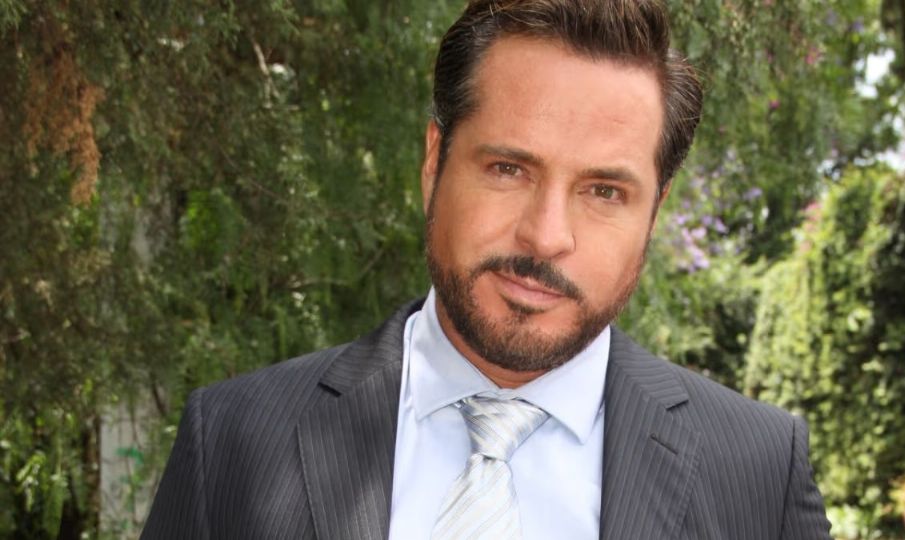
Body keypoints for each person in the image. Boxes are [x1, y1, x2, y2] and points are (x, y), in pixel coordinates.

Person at [142, 0, 832, 538]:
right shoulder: (232, 440)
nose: (546, 236)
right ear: (433, 164)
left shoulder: (758, 470)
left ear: (655, 213)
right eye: (508, 169)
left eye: (603, 191)